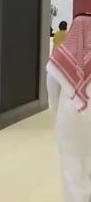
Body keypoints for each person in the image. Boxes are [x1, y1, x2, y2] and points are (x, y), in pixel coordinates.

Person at [47, 13, 91, 202]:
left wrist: (59, 113)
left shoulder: (59, 58)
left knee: (71, 167)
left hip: (69, 119)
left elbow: (52, 91)